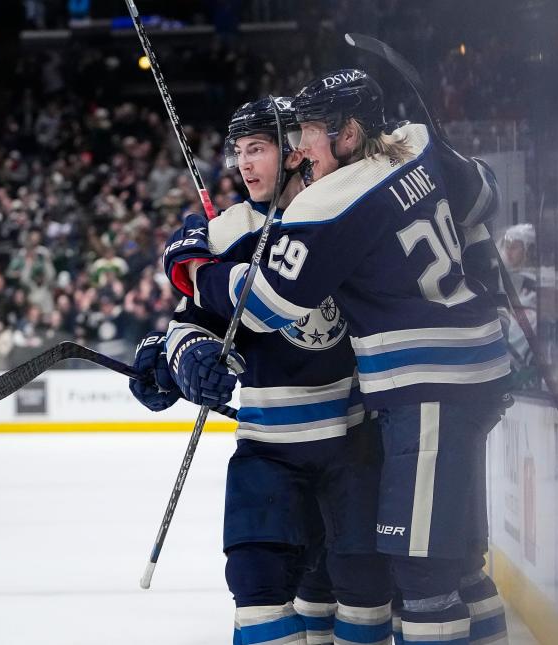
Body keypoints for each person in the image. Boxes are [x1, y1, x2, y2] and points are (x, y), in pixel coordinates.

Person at [172, 71, 511, 645]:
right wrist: (181, 352)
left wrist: (196, 269)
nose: (301, 148)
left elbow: (267, 302)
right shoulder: (417, 141)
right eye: (241, 151)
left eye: (300, 135)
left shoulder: (332, 203)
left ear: (348, 133)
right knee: (442, 565)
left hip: (419, 391)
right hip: (462, 373)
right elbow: (482, 195)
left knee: (422, 574)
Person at [131, 97, 393, 645]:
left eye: (259, 149)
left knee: (361, 587)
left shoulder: (337, 213)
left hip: (352, 444)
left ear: (294, 150)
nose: (244, 164)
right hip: (268, 448)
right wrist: (186, 357)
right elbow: (187, 322)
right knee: (255, 582)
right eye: (239, 152)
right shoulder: (227, 232)